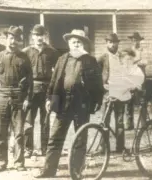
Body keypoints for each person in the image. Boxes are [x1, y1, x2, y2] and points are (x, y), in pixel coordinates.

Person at [34, 29, 103, 178]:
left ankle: (76, 171)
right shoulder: (62, 59)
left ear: (83, 43)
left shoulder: (90, 60)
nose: (76, 44)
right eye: (73, 41)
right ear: (69, 43)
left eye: (79, 41)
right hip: (63, 104)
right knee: (55, 138)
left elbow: (98, 84)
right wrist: (49, 99)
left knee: (80, 140)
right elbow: (54, 81)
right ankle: (48, 171)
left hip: (82, 105)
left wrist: (97, 101)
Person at [0, 26, 33, 172]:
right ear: (7, 38)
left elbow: (30, 81)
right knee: (1, 131)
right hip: (1, 95)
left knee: (19, 131)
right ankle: (1, 161)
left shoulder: (24, 58)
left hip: (18, 96)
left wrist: (27, 98)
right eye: (11, 38)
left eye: (16, 39)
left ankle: (19, 162)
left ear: (20, 41)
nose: (13, 41)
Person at [23, 24, 59, 158]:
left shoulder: (52, 52)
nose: (39, 38)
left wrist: (54, 93)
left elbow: (57, 73)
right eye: (36, 35)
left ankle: (44, 148)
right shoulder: (26, 52)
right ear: (32, 36)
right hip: (31, 89)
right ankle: (28, 148)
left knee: (45, 120)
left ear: (45, 36)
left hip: (46, 89)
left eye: (41, 35)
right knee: (28, 120)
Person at [97, 33, 127, 151]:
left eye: (115, 42)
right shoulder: (102, 58)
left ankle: (120, 147)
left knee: (120, 121)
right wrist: (102, 84)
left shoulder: (122, 57)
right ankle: (103, 148)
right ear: (106, 44)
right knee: (105, 120)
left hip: (120, 92)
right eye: (110, 42)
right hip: (107, 93)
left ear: (118, 44)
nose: (113, 45)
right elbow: (95, 73)